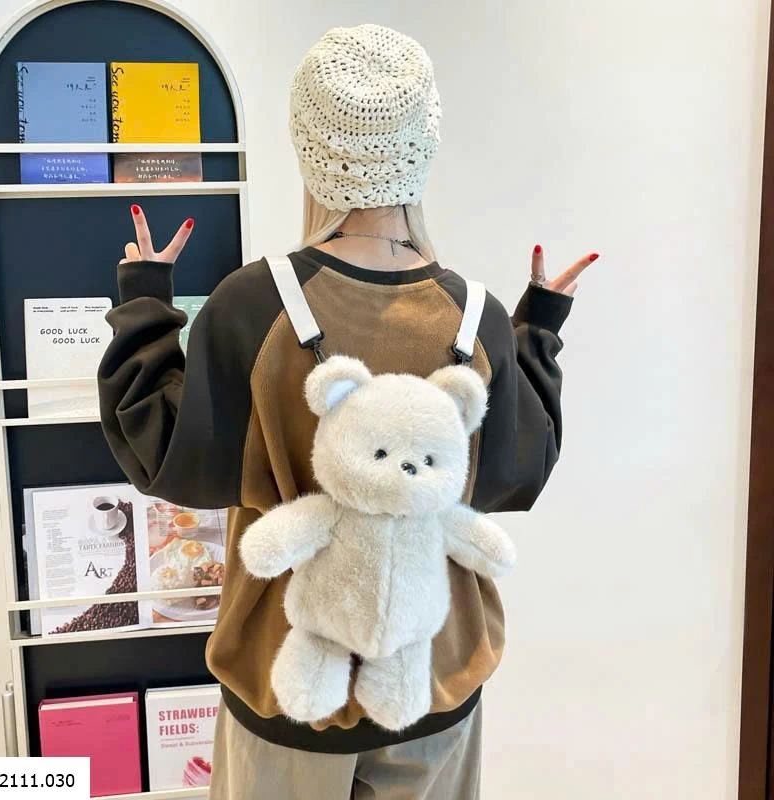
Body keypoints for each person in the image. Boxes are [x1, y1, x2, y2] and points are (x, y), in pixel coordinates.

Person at [97, 22, 598, 800]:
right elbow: (515, 476)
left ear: (308, 148)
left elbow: (164, 457)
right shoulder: (476, 317)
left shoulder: (251, 304)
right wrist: (536, 331)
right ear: (421, 148)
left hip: (288, 682)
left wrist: (144, 306)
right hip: (433, 678)